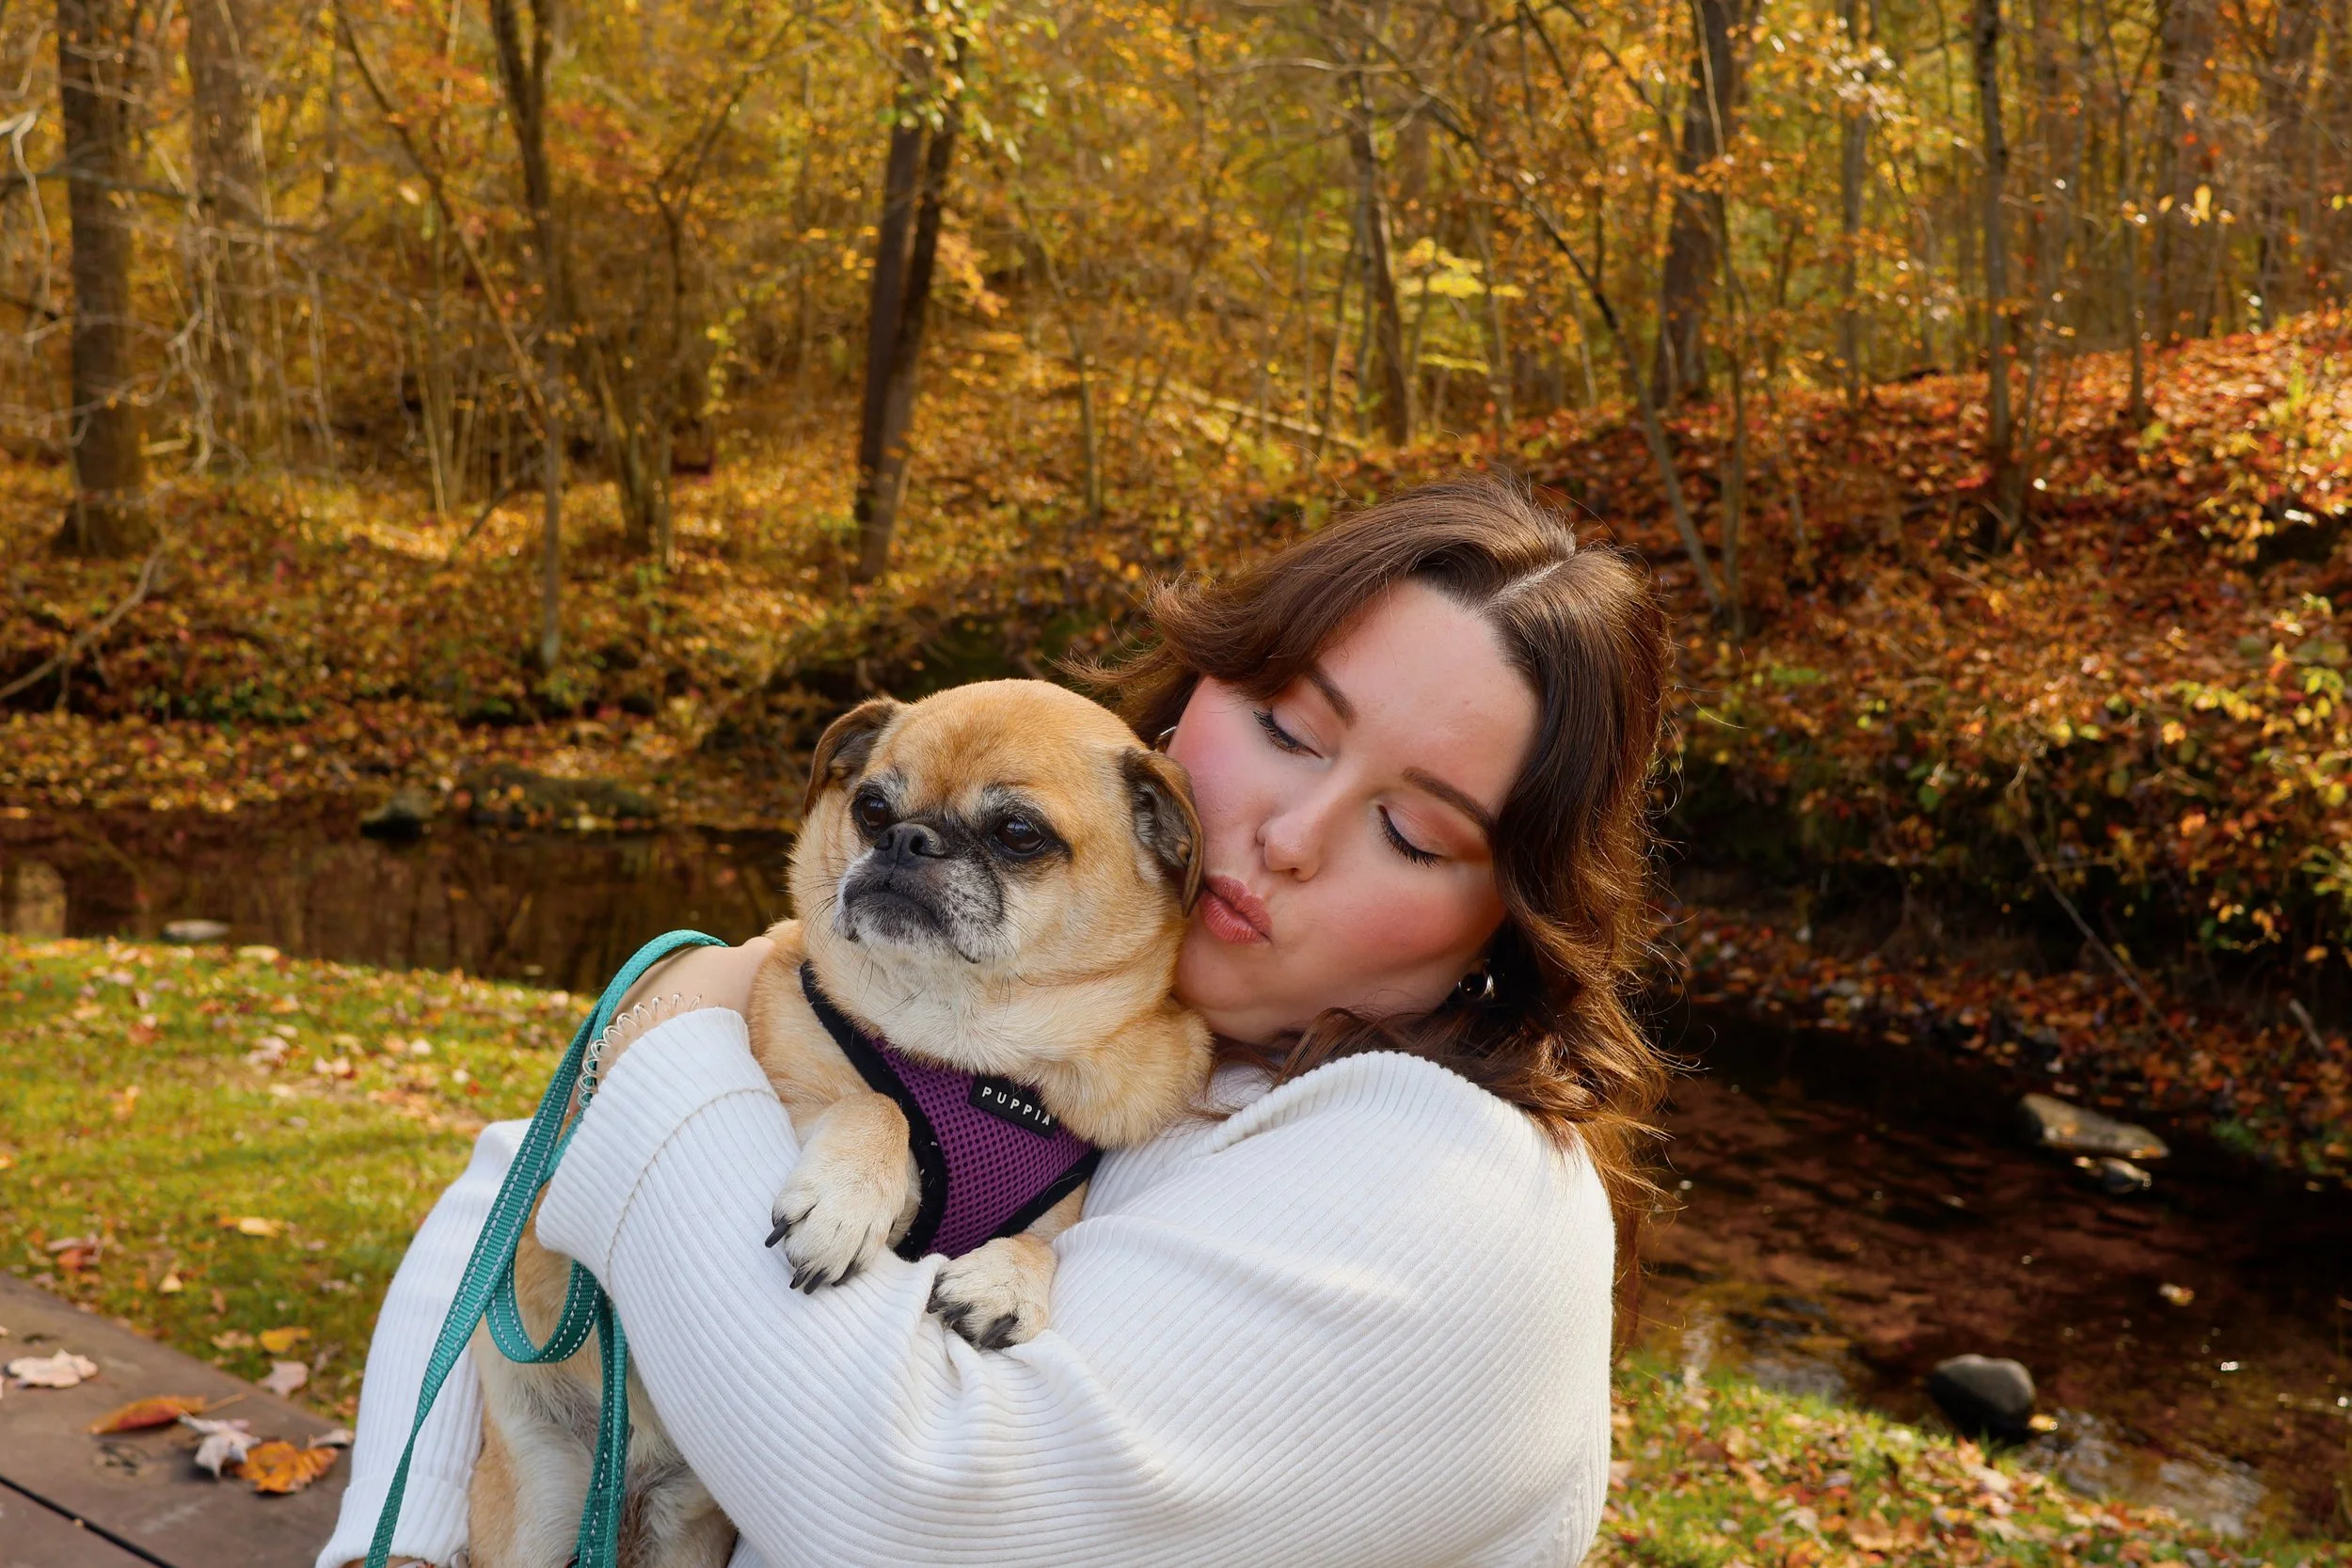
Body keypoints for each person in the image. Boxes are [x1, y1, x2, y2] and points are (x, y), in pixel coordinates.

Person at [320, 472, 1672, 1568]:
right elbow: (518, 1180)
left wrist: (678, 1032)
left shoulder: (1461, 1199)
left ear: (1515, 918)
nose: (1291, 833)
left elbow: (915, 1505)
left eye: (1409, 828)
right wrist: (407, 1542)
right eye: (1285, 727)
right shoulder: (1121, 1030)